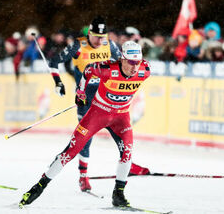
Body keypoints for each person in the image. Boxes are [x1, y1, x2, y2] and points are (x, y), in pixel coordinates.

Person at [19, 41, 150, 208]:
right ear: (122, 59)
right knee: (70, 152)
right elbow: (88, 70)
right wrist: (80, 92)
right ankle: (38, 187)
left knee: (127, 153)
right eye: (131, 62)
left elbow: (137, 71)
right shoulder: (108, 69)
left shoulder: (145, 70)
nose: (134, 67)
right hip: (97, 114)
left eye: (137, 62)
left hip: (121, 117)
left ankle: (119, 194)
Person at [47, 16, 150, 193]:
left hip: (107, 95)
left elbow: (121, 63)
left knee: (119, 131)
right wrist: (58, 82)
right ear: (89, 33)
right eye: (96, 37)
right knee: (86, 137)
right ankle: (83, 176)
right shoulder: (77, 45)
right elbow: (54, 61)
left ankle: (127, 163)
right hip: (86, 98)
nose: (100, 41)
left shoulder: (109, 44)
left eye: (103, 37)